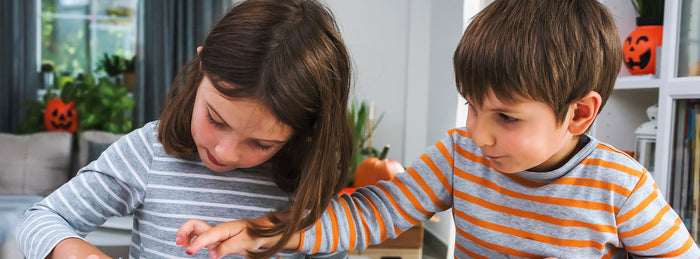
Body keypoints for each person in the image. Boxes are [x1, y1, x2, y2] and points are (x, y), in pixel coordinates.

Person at [176, 0, 700, 258]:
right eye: (471, 106)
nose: (478, 133)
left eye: (507, 118)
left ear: (579, 114)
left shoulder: (621, 186)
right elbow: (372, 211)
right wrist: (266, 231)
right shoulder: (459, 158)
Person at [15, 0, 353, 258]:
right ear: (202, 64)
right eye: (216, 120)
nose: (224, 152)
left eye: (262, 143)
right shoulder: (148, 152)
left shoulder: (309, 185)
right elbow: (40, 219)